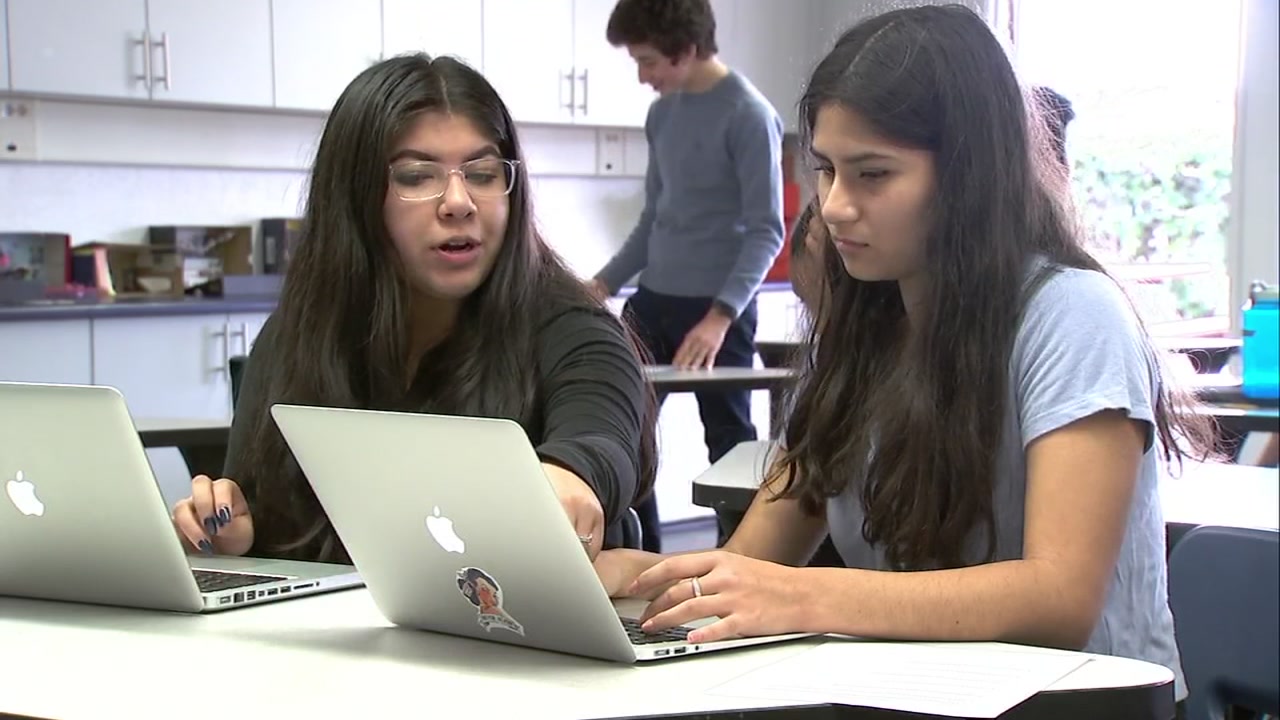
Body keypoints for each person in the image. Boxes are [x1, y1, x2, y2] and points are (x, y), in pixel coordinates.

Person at [592, 4, 1215, 702]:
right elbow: (749, 567)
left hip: (1079, 708)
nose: (831, 206)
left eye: (873, 175)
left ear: (970, 177)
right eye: (825, 170)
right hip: (922, 695)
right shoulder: (870, 323)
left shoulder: (1073, 316)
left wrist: (804, 597)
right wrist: (622, 577)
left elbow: (1058, 598)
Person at [169, 54, 657, 564]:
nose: (458, 201)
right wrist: (234, 532)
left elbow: (601, 437)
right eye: (417, 176)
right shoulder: (297, 335)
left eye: (484, 173)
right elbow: (259, 511)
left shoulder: (572, 327)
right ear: (355, 197)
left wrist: (570, 475)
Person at [587, 0, 786, 551]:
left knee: (729, 445)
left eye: (648, 60)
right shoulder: (662, 115)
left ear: (687, 49)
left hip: (718, 312)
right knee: (624, 429)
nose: (642, 75)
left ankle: (742, 565)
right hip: (653, 304)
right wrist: (599, 286)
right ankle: (638, 558)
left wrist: (719, 318)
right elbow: (653, 222)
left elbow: (768, 232)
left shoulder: (748, 115)